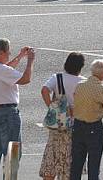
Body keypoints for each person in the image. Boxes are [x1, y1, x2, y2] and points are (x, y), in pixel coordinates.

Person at [0, 39, 35, 180]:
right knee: (12, 154)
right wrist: (30, 61)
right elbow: (25, 79)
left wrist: (20, 56)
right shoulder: (1, 70)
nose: (10, 53)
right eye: (8, 51)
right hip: (7, 114)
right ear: (2, 52)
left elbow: (6, 70)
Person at [39, 52, 86, 180]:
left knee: (51, 159)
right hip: (75, 125)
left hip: (58, 124)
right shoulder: (83, 82)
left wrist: (52, 107)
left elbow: (44, 90)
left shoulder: (57, 78)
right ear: (80, 67)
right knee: (69, 164)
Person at [71, 59, 103, 180]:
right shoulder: (102, 90)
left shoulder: (80, 85)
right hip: (94, 128)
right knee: (94, 165)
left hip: (78, 126)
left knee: (76, 164)